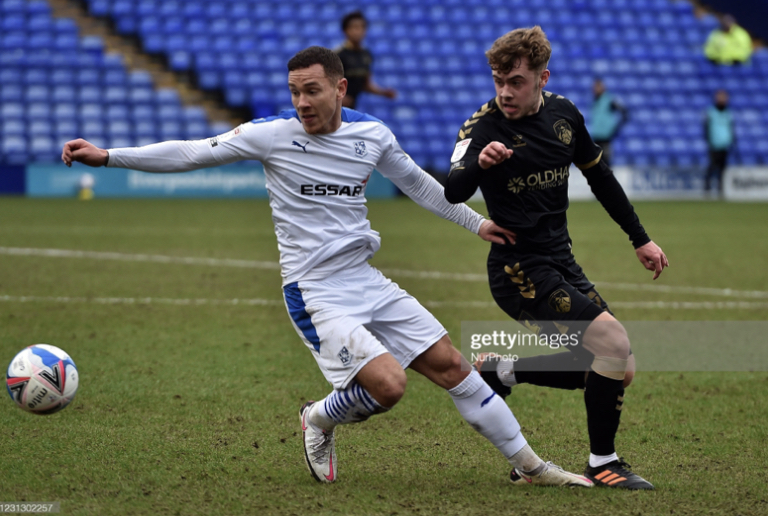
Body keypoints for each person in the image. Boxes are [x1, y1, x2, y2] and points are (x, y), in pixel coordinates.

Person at [62, 46, 592, 487]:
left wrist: (476, 224)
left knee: (453, 366)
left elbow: (419, 186)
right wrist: (109, 156)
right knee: (389, 387)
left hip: (365, 279)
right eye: (294, 91)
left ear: (340, 89)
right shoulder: (271, 135)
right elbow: (191, 152)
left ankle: (531, 467)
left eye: (311, 90)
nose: (301, 102)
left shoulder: (372, 135)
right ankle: (317, 416)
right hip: (315, 291)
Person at [444, 27, 669, 490]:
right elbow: (453, 188)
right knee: (613, 341)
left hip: (561, 260)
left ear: (543, 78)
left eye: (517, 82)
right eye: (498, 80)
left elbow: (601, 178)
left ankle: (500, 368)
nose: (505, 92)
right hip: (518, 270)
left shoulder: (565, 115)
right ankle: (603, 463)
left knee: (619, 368)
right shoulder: (482, 126)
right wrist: (480, 166)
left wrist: (639, 239)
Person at [335, 11, 397, 109]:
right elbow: (327, 84)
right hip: (335, 109)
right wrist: (338, 96)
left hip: (352, 108)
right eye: (354, 27)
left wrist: (383, 92)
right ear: (345, 30)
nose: (358, 31)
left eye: (361, 27)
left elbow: (365, 84)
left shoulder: (366, 55)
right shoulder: (337, 55)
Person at [589, 79, 628, 166]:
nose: (595, 89)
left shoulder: (609, 100)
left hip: (606, 139)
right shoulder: (595, 100)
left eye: (597, 87)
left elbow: (624, 112)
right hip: (596, 138)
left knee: (605, 164)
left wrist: (615, 129)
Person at [704, 89, 735, 197]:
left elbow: (731, 128)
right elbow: (706, 127)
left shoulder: (728, 113)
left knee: (722, 168)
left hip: (724, 144)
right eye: (720, 97)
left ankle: (720, 189)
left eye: (724, 97)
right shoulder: (711, 112)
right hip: (714, 144)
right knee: (712, 167)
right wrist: (709, 140)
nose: (723, 99)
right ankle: (707, 189)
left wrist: (732, 140)